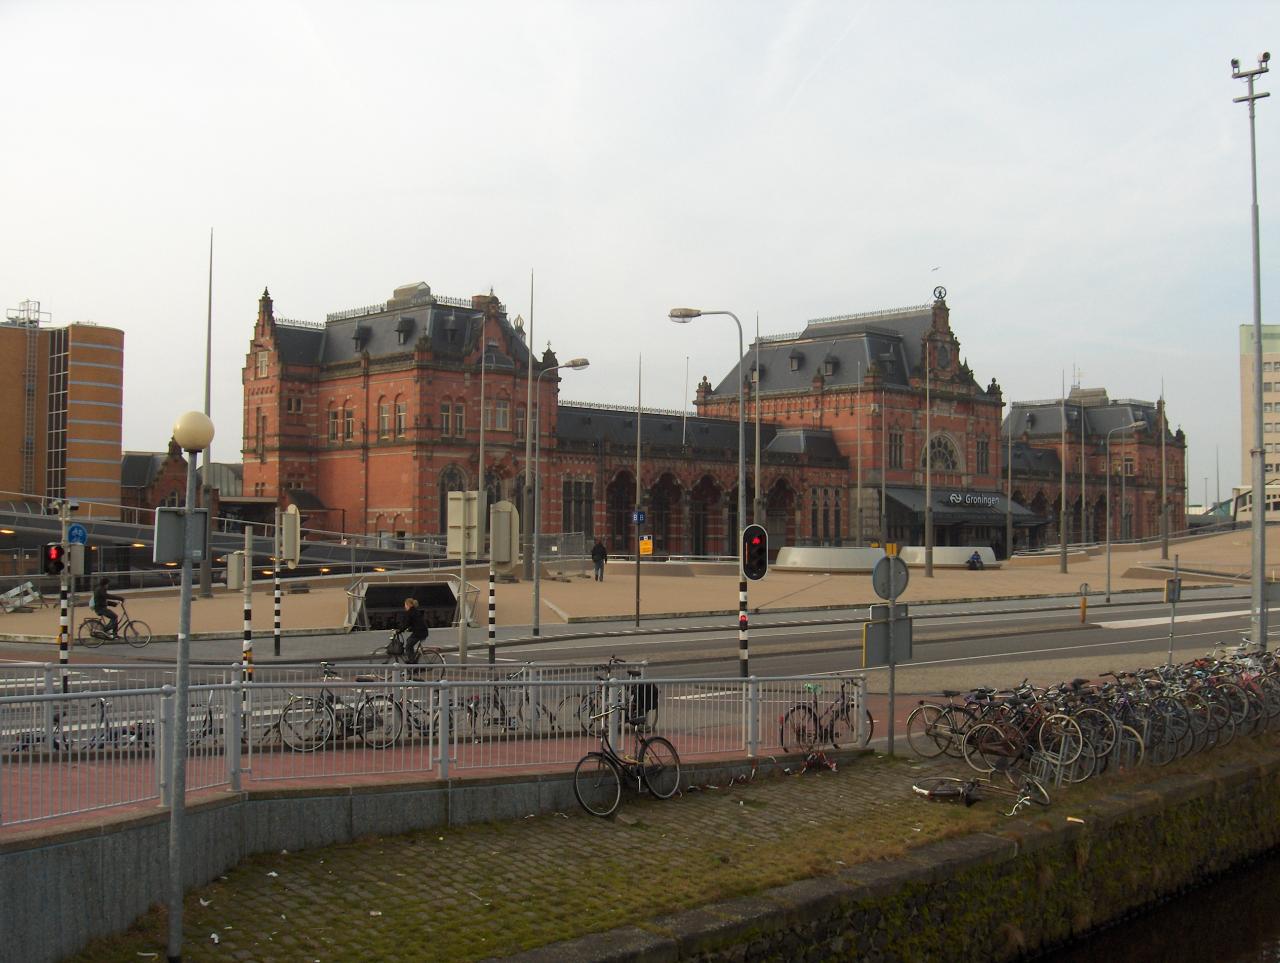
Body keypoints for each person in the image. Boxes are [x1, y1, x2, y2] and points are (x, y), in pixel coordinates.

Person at [397, 597, 429, 663]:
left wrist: (399, 630)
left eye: (405, 604)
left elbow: (406, 624)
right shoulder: (415, 611)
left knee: (408, 646)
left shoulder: (410, 612)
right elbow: (415, 622)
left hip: (419, 632)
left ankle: (412, 663)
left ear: (408, 604)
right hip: (423, 631)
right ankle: (413, 660)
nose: (404, 606)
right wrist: (409, 628)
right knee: (409, 641)